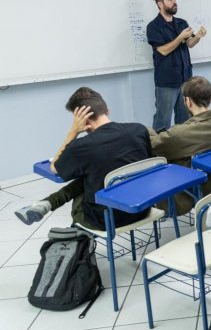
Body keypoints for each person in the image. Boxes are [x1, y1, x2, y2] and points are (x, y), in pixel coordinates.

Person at [16, 88, 152, 229]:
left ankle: (76, 235)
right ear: (107, 111)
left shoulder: (82, 146)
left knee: (88, 183)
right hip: (142, 208)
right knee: (99, 175)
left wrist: (73, 132)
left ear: (82, 120)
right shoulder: (139, 130)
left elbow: (54, 168)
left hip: (106, 219)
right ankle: (47, 203)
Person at [149, 76, 211, 215]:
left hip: (195, 189)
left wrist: (147, 130)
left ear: (187, 101)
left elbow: (155, 144)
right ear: (210, 98)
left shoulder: (181, 133)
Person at [146, 0, 207, 132]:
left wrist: (198, 36)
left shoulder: (181, 22)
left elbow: (189, 43)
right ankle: (159, 150)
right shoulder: (153, 26)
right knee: (163, 120)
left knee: (185, 119)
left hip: (185, 79)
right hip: (167, 81)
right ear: (160, 4)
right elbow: (163, 50)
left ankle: (183, 151)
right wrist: (180, 37)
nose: (174, 2)